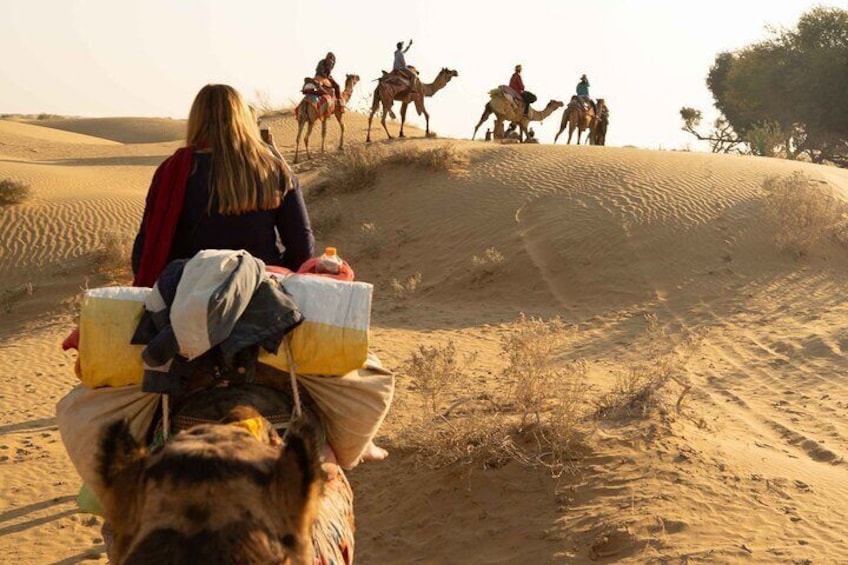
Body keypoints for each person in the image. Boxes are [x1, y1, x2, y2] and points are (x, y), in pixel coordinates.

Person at [132, 84, 315, 287]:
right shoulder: (274, 169)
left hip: (189, 299)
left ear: (196, 119)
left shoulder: (173, 171)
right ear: (243, 118)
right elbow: (302, 247)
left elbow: (145, 250)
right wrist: (273, 278)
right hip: (261, 297)